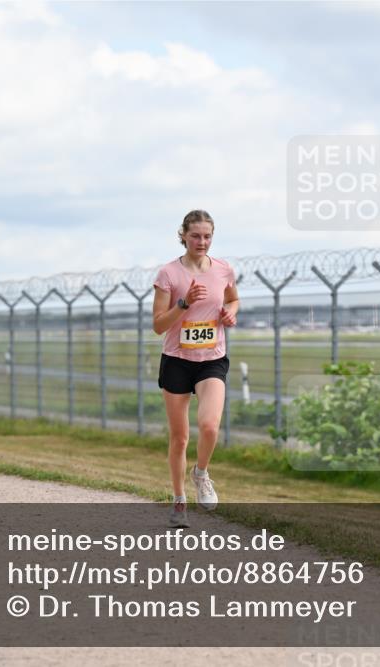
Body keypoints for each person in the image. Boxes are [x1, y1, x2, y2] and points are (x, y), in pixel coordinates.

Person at [153, 210, 239, 527]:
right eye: (195, 236)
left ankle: (201, 473)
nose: (201, 242)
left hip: (212, 359)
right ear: (184, 236)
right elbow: (158, 325)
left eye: (207, 236)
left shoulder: (223, 269)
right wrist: (184, 303)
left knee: (209, 426)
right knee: (179, 438)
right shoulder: (168, 274)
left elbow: (233, 299)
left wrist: (230, 312)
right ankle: (179, 501)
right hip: (177, 360)